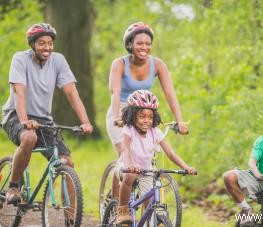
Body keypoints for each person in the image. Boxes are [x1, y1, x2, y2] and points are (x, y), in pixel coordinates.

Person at [1, 23, 93, 205]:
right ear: (32, 44)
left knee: (67, 163)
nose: (47, 47)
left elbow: (72, 94)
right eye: (42, 43)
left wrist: (85, 122)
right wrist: (24, 120)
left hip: (43, 119)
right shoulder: (20, 59)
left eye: (50, 43)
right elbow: (19, 92)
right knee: (29, 138)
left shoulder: (58, 60)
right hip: (15, 114)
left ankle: (71, 218)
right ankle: (13, 186)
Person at [112, 89, 195, 225]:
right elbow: (125, 149)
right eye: (142, 116)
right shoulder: (128, 130)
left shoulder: (155, 132)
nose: (147, 121)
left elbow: (170, 153)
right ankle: (122, 209)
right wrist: (129, 166)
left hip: (145, 171)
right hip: (125, 167)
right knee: (130, 176)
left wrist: (186, 167)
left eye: (150, 117)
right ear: (133, 115)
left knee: (149, 205)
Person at [106, 21, 188, 158]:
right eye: (139, 43)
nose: (144, 47)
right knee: (125, 157)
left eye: (148, 44)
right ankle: (119, 178)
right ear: (130, 44)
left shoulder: (158, 65)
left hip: (144, 113)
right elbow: (115, 92)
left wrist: (180, 120)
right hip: (120, 109)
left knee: (147, 156)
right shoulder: (119, 64)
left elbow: (170, 93)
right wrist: (116, 117)